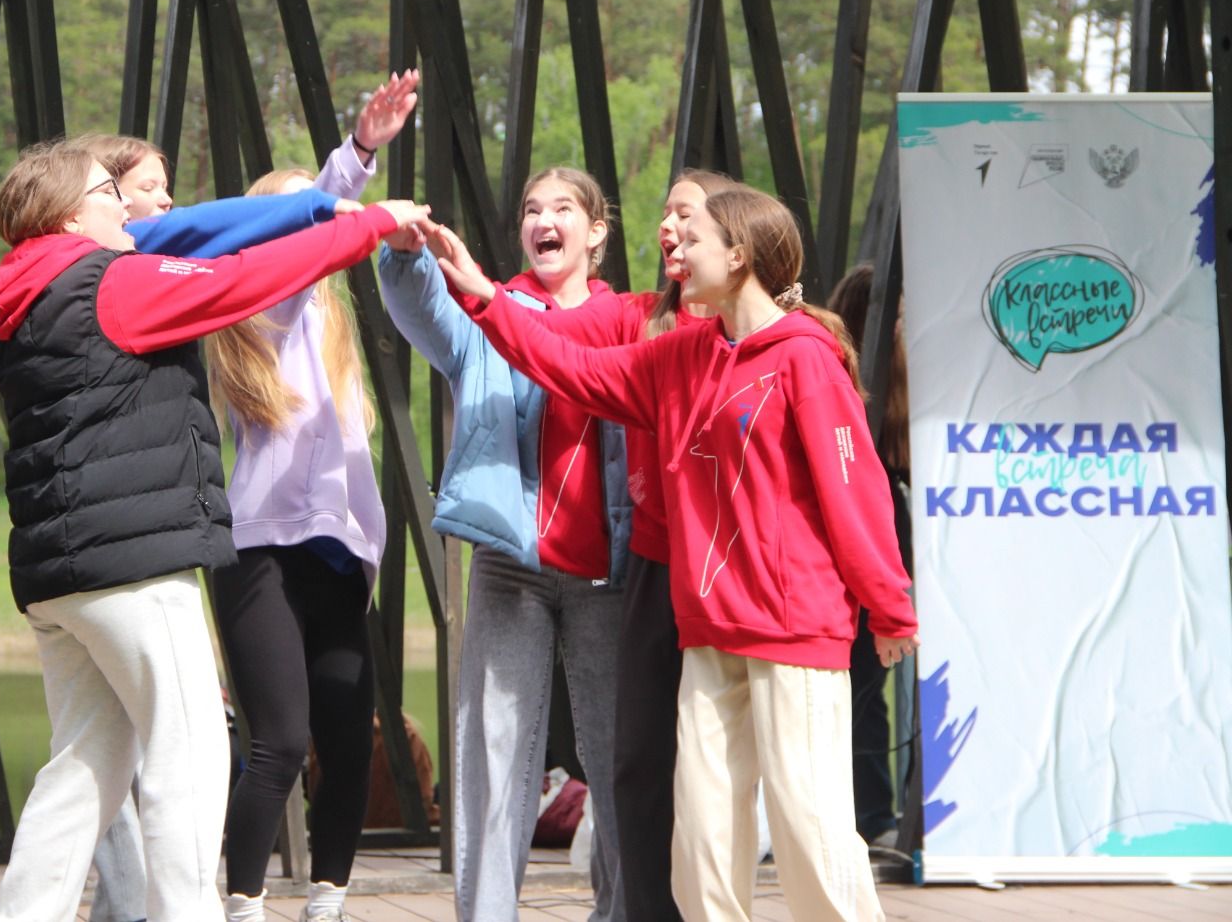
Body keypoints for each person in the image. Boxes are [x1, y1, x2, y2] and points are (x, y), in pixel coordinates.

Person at [427, 185, 918, 921]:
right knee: (702, 854)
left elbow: (858, 494)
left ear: (740, 253)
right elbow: (571, 369)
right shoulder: (681, 355)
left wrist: (889, 608)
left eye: (692, 236)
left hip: (795, 636)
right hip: (709, 635)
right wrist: (483, 298)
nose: (673, 248)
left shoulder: (807, 359)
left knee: (811, 841)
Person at [0, 140, 430, 922]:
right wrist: (362, 227)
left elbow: (210, 229)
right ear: (72, 214)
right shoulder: (112, 286)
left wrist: (319, 202)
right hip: (135, 571)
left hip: (59, 578)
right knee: (189, 759)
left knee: (82, 771)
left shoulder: (27, 299)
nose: (127, 206)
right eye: (108, 192)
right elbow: (242, 276)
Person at [379, 166, 631, 922]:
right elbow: (424, 311)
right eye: (530, 209)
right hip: (509, 567)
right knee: (494, 758)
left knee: (617, 758)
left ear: (596, 232)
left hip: (608, 572)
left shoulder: (629, 321)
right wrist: (403, 255)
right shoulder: (491, 310)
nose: (543, 220)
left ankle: (620, 911)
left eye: (562, 208)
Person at [509, 168, 739, 922]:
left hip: (728, 578)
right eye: (665, 214)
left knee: (712, 763)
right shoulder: (642, 322)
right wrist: (480, 292)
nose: (669, 226)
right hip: (649, 565)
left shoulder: (765, 342)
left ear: (731, 237)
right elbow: (552, 344)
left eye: (686, 214)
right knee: (636, 763)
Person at [203, 164, 408, 922]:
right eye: (302, 215)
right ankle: (244, 905)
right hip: (263, 553)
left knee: (350, 747)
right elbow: (293, 252)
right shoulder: (261, 300)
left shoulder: (330, 319)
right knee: (282, 744)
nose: (319, 225)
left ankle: (328, 903)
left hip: (337, 557)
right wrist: (354, 157)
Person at [826, 263, 912, 851]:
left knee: (866, 684)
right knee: (857, 683)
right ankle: (868, 813)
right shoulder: (849, 386)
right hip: (859, 538)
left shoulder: (902, 391)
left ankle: (876, 811)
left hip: (889, 529)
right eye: (902, 317)